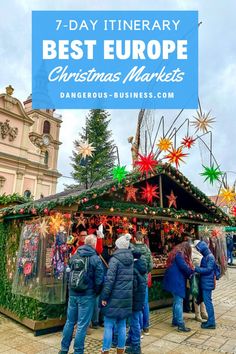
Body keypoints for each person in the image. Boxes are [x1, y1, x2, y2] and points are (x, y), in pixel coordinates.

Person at [59, 234, 104, 354]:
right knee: (82, 325)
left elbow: (68, 272)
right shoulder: (95, 258)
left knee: (69, 322)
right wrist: (96, 292)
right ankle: (78, 351)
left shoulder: (74, 256)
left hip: (73, 294)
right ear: (94, 244)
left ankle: (63, 349)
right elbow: (100, 280)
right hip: (87, 295)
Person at [101, 234, 134, 354]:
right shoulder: (131, 260)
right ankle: (120, 350)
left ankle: (105, 350)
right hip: (126, 298)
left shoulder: (114, 260)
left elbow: (109, 280)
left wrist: (104, 297)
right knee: (122, 325)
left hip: (114, 297)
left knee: (109, 325)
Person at [163, 241, 194, 332]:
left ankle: (175, 321)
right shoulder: (180, 255)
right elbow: (184, 267)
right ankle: (180, 324)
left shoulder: (175, 253)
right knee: (179, 302)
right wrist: (192, 271)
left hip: (173, 280)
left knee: (176, 301)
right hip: (176, 281)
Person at [126, 250, 147, 354]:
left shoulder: (134, 269)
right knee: (135, 320)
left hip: (134, 300)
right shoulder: (141, 266)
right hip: (139, 299)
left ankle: (136, 346)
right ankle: (130, 340)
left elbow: (132, 288)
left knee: (134, 322)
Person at [133, 231, 153, 335]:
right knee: (145, 303)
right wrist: (145, 273)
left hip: (134, 280)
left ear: (135, 239)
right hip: (144, 280)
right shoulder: (147, 249)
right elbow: (151, 266)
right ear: (142, 239)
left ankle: (139, 328)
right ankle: (146, 327)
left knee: (137, 304)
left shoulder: (131, 248)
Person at [195, 240, 217, 329]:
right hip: (206, 282)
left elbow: (208, 270)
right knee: (207, 302)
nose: (199, 251)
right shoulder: (207, 256)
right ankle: (210, 321)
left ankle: (211, 322)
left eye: (199, 249)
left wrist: (197, 269)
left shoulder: (210, 257)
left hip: (207, 283)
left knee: (208, 302)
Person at [192, 240, 208, 322]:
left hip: (202, 277)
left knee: (202, 295)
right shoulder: (193, 253)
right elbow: (193, 266)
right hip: (195, 277)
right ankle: (197, 314)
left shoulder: (202, 253)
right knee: (196, 295)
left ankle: (203, 312)